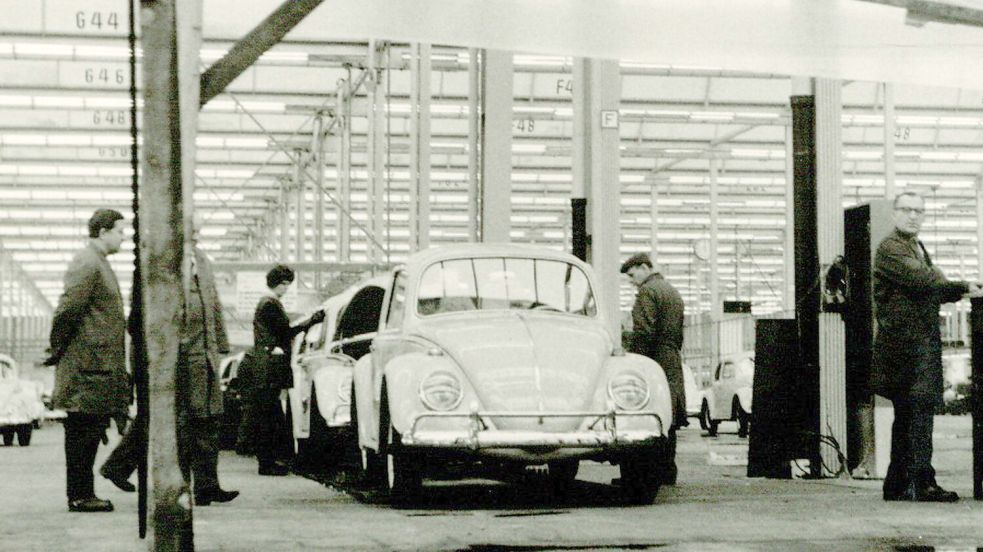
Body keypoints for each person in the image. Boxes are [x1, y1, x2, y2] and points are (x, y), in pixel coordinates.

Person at [100, 214, 239, 505]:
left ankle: (207, 486)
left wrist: (220, 343)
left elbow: (213, 304)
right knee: (170, 420)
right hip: (173, 357)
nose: (198, 238)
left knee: (208, 419)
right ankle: (124, 467)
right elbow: (140, 317)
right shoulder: (159, 262)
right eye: (193, 233)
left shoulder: (201, 260)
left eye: (199, 233)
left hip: (203, 355)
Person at [871, 191, 979, 502]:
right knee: (918, 414)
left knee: (909, 415)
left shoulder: (914, 247)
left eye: (919, 210)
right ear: (894, 214)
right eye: (906, 209)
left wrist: (955, 286)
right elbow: (925, 282)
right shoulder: (892, 248)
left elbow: (932, 283)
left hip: (912, 346)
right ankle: (921, 483)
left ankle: (899, 484)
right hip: (908, 348)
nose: (913, 215)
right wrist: (961, 286)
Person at [46, 209, 129, 513]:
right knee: (82, 433)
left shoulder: (99, 263)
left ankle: (83, 492)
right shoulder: (87, 261)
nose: (124, 237)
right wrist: (57, 349)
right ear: (104, 231)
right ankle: (80, 495)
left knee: (90, 432)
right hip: (86, 367)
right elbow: (68, 310)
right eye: (120, 231)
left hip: (95, 366)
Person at [246, 264, 324, 476]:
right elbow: (285, 332)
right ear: (277, 283)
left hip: (265, 368)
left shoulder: (266, 303)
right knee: (270, 418)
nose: (286, 288)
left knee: (268, 416)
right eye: (285, 284)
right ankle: (267, 464)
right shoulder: (270, 304)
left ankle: (269, 462)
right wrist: (310, 322)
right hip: (269, 369)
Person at [620, 252, 686, 485]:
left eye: (632, 274)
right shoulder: (671, 290)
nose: (631, 280)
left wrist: (634, 361)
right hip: (671, 357)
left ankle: (647, 474)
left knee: (648, 412)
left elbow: (644, 332)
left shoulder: (648, 292)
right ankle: (667, 471)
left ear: (644, 267)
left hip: (655, 357)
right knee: (669, 415)